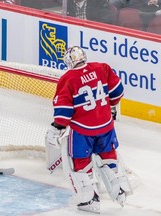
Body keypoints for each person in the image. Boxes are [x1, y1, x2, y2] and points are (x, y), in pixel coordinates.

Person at [45, 46, 132, 213]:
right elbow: (117, 91)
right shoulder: (102, 68)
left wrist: (57, 127)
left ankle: (89, 199)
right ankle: (119, 189)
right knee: (108, 156)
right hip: (106, 125)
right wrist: (111, 106)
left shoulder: (68, 78)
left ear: (69, 62)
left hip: (83, 130)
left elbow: (63, 110)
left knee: (79, 161)